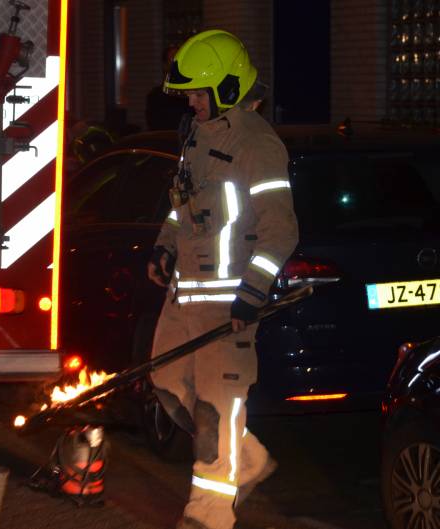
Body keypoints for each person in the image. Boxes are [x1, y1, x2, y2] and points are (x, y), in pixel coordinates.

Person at [146, 30, 298, 529]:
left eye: (197, 94)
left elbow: (281, 233)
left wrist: (251, 295)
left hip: (227, 303)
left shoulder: (257, 144)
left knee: (215, 411)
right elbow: (184, 203)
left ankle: (209, 515)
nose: (190, 103)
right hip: (183, 297)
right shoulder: (197, 135)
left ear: (228, 87)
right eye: (187, 95)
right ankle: (245, 455)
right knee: (166, 385)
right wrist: (165, 245)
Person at [145, 44, 192, 132]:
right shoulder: (155, 96)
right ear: (165, 66)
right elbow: (156, 129)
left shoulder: (192, 94)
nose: (177, 64)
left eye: (180, 59)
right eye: (173, 60)